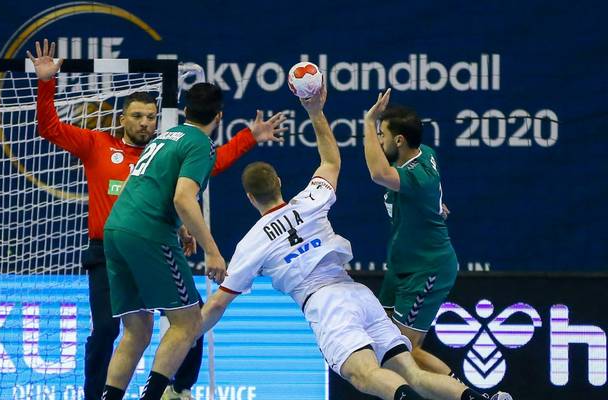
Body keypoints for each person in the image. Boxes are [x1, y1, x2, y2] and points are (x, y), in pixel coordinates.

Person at [198, 85, 512, 400]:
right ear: (278, 183)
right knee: (412, 373)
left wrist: (187, 333)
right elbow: (331, 160)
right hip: (358, 294)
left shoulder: (251, 242)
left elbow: (217, 304)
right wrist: (315, 112)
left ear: (250, 198)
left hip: (327, 305)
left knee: (365, 375)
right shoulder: (311, 200)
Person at [27, 39, 285, 400]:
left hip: (125, 238)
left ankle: (176, 390)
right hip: (123, 245)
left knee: (146, 327)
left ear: (166, 116)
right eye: (137, 116)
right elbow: (185, 191)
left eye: (151, 116)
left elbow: (202, 170)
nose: (145, 122)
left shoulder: (162, 144)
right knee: (158, 323)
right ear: (122, 119)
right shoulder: (101, 145)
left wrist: (247, 139)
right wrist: (46, 83)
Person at [362, 88, 461, 378]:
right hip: (401, 267)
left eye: (382, 135)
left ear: (399, 140)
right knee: (381, 339)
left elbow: (378, 173)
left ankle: (469, 395)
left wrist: (368, 122)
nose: (379, 140)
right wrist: (435, 206)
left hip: (427, 269)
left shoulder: (418, 177)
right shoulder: (423, 154)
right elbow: (427, 193)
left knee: (404, 349)